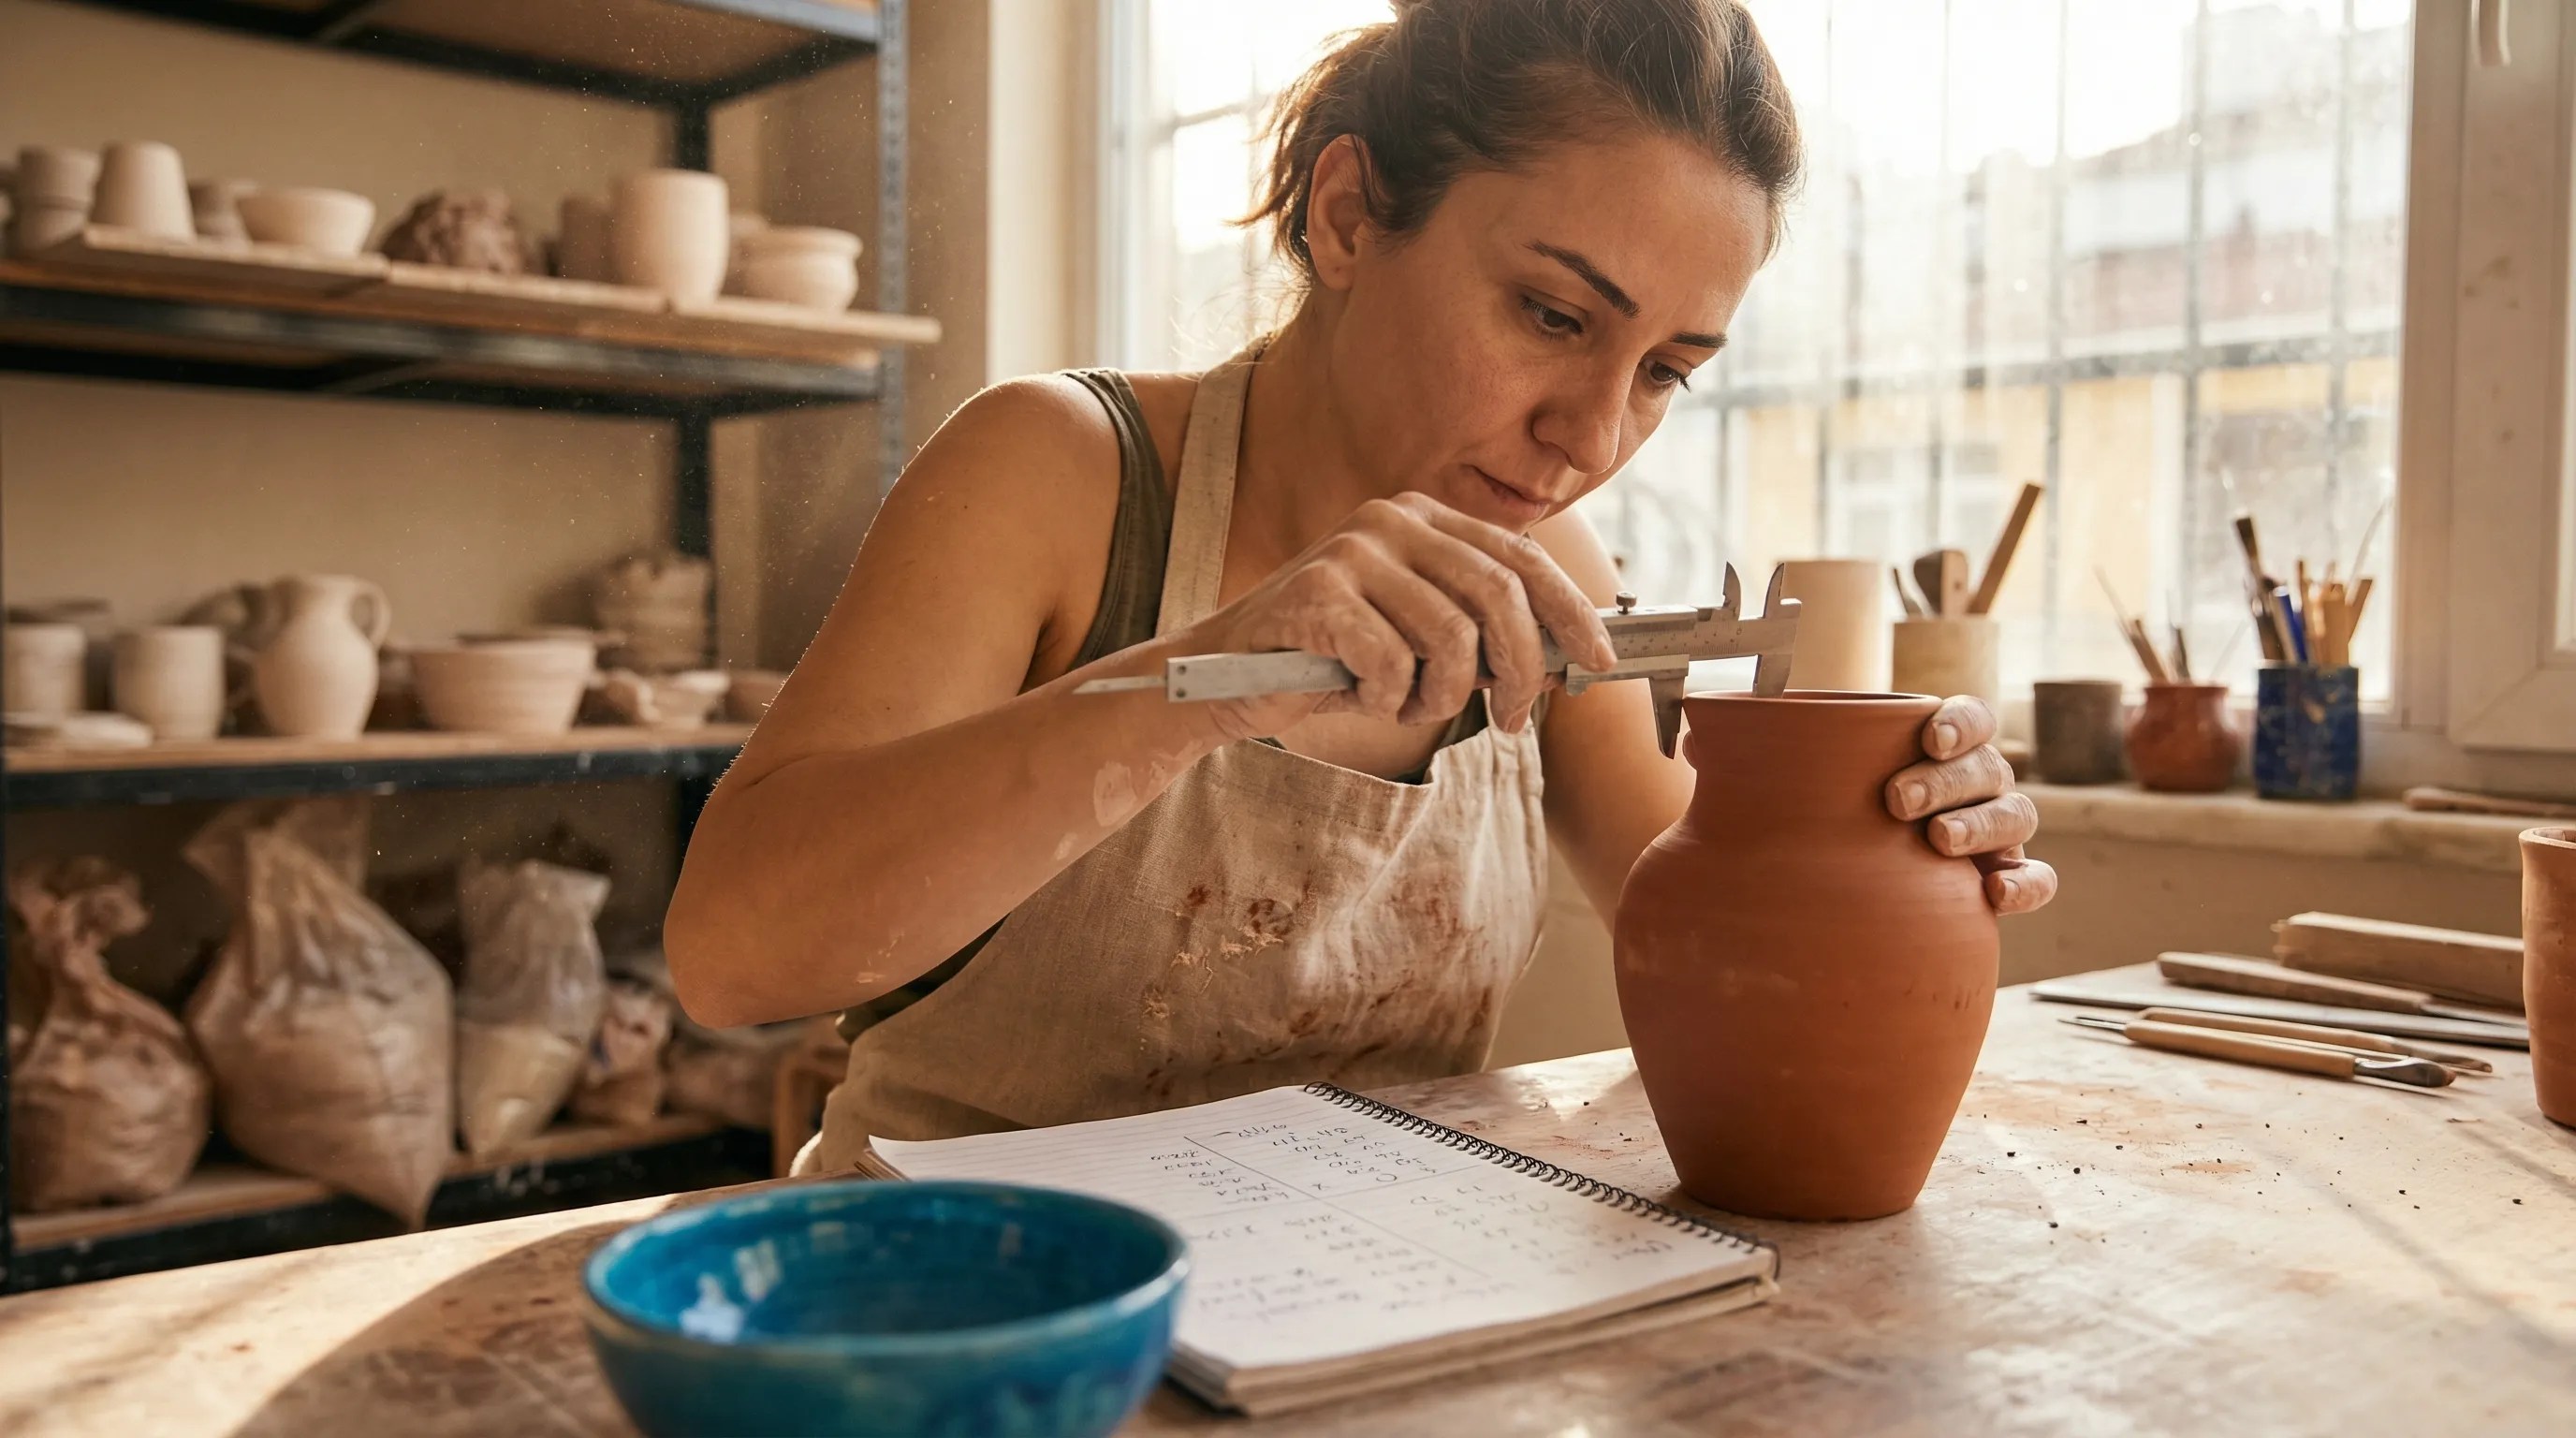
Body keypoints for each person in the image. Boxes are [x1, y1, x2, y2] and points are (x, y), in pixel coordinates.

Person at [666, 0, 2056, 1167]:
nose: (1591, 437)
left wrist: (1902, 830)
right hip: (948, 1319)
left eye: (1666, 374)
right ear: (1345, 216)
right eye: (1554, 316)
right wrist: (1196, 684)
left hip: (1350, 1319)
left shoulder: (1548, 575)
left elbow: (1743, 977)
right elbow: (732, 955)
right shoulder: (1058, 472)